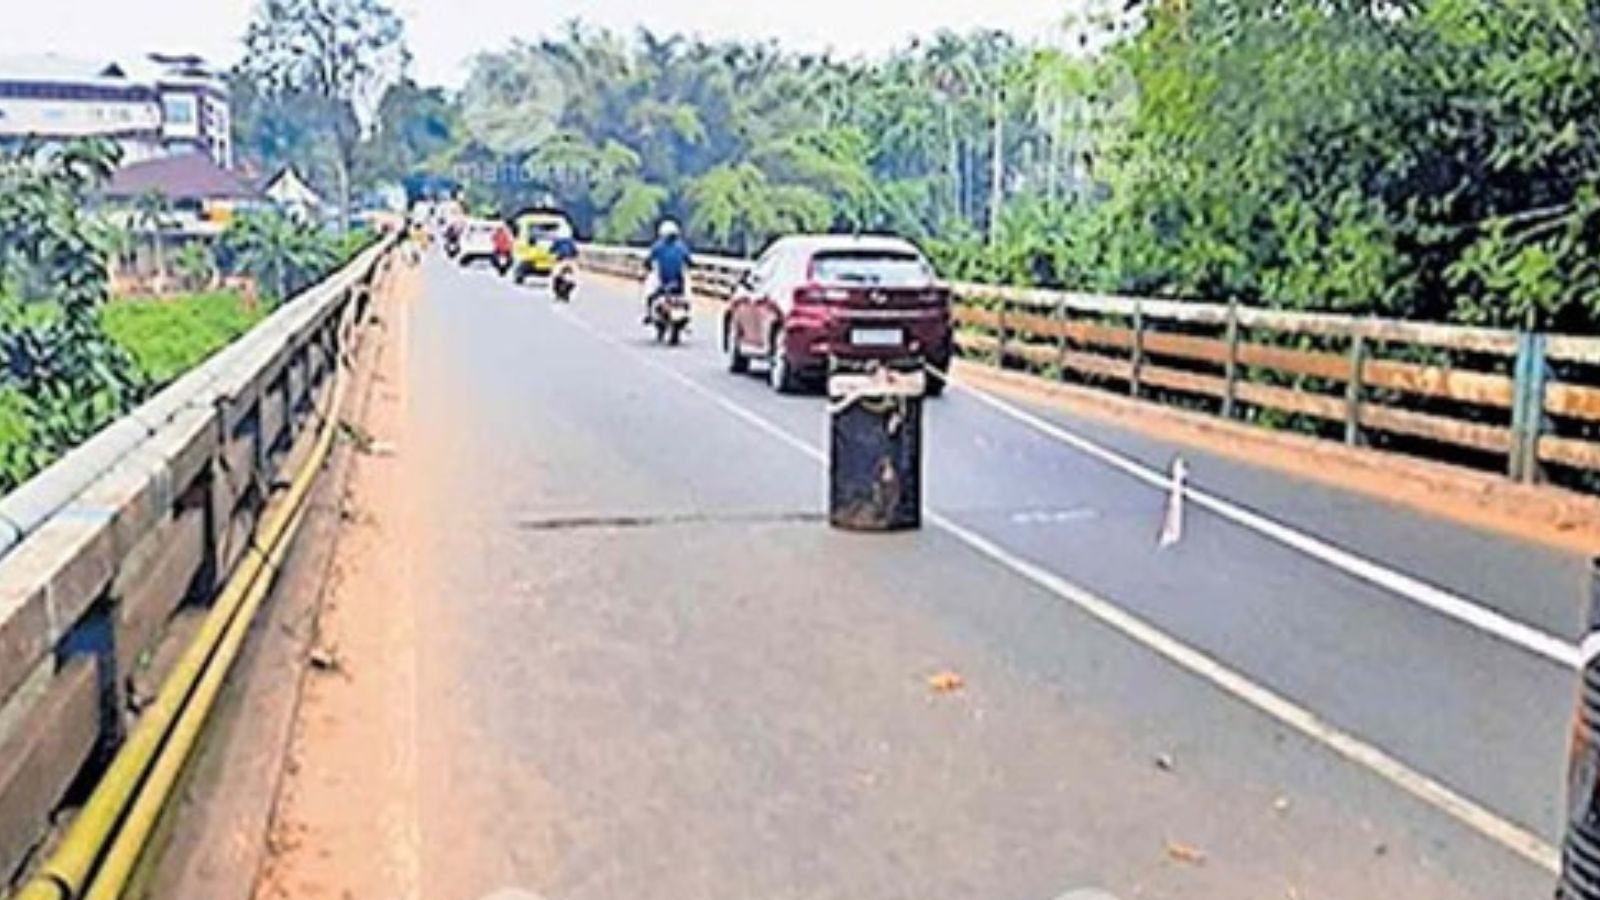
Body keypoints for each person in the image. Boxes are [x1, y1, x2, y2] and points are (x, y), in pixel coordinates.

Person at [644, 219, 691, 322]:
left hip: (663, 280)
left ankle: (648, 314)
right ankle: (688, 315)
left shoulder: (658, 246)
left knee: (649, 293)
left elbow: (648, 260)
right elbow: (689, 261)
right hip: (678, 281)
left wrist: (647, 266)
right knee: (688, 295)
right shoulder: (681, 246)